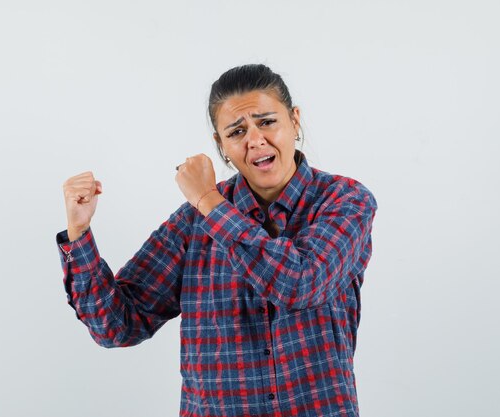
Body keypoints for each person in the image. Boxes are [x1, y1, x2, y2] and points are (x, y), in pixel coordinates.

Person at [56, 64, 378, 417]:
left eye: (267, 121)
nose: (254, 139)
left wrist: (210, 201)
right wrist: (79, 232)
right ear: (221, 145)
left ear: (295, 120)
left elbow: (300, 283)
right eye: (237, 130)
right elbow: (116, 325)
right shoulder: (193, 222)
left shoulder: (345, 201)